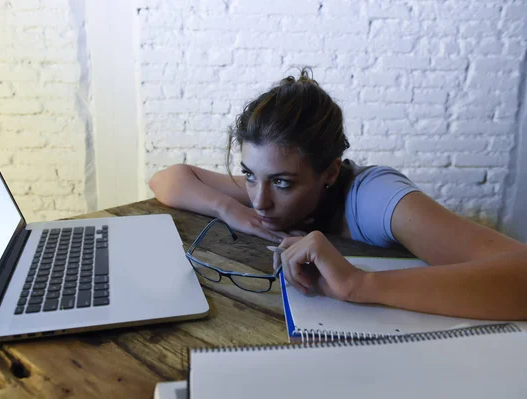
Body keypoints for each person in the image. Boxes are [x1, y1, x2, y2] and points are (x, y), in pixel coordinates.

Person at [149, 68, 527, 321]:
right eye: (249, 175)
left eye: (282, 183)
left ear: (329, 171)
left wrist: (359, 284)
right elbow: (167, 179)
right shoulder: (264, 188)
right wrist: (229, 208)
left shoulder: (376, 198)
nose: (260, 201)